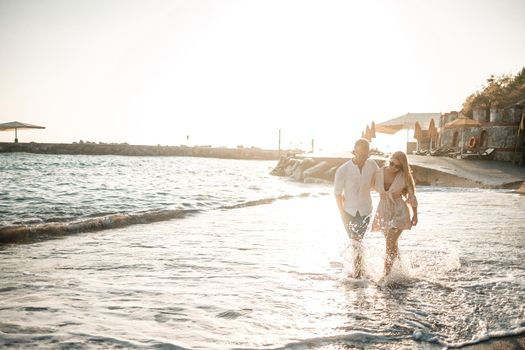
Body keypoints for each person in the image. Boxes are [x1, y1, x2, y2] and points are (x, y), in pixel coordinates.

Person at [334, 139, 379, 278]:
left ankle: (359, 271)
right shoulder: (343, 170)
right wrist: (343, 215)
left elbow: (378, 182)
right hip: (349, 212)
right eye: (360, 155)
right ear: (354, 152)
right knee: (355, 241)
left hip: (366, 210)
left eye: (366, 155)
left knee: (358, 241)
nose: (363, 158)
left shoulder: (372, 165)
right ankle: (358, 273)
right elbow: (337, 194)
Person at [372, 151, 418, 278]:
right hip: (383, 211)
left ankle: (385, 275)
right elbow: (368, 186)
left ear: (401, 167)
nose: (393, 167)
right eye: (391, 163)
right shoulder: (379, 172)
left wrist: (415, 215)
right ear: (389, 160)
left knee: (390, 240)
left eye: (397, 166)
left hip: (399, 211)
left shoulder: (404, 176)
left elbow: (412, 196)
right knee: (392, 243)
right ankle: (400, 271)